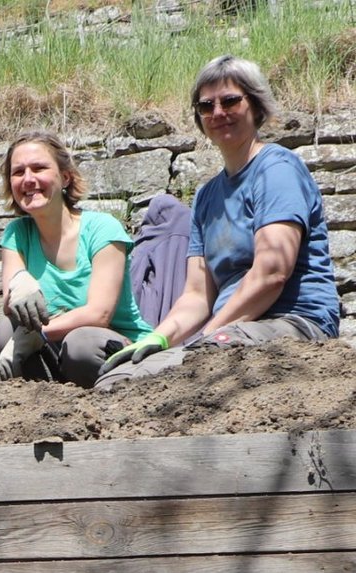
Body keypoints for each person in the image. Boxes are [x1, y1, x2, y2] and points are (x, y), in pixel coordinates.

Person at [97, 55, 340, 386]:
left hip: (292, 322)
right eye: (206, 106)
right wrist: (159, 338)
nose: (218, 113)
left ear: (256, 107)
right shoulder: (206, 196)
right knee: (119, 379)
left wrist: (206, 338)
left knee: (192, 367)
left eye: (230, 101)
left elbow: (272, 274)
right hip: (230, 329)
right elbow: (197, 296)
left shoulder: (277, 169)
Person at [0, 131, 154, 387]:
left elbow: (99, 314)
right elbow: (12, 303)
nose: (28, 179)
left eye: (39, 168)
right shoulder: (17, 234)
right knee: (3, 333)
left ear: (65, 177)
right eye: (18, 172)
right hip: (55, 351)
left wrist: (40, 333)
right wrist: (19, 282)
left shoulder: (102, 228)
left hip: (117, 348)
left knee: (80, 345)